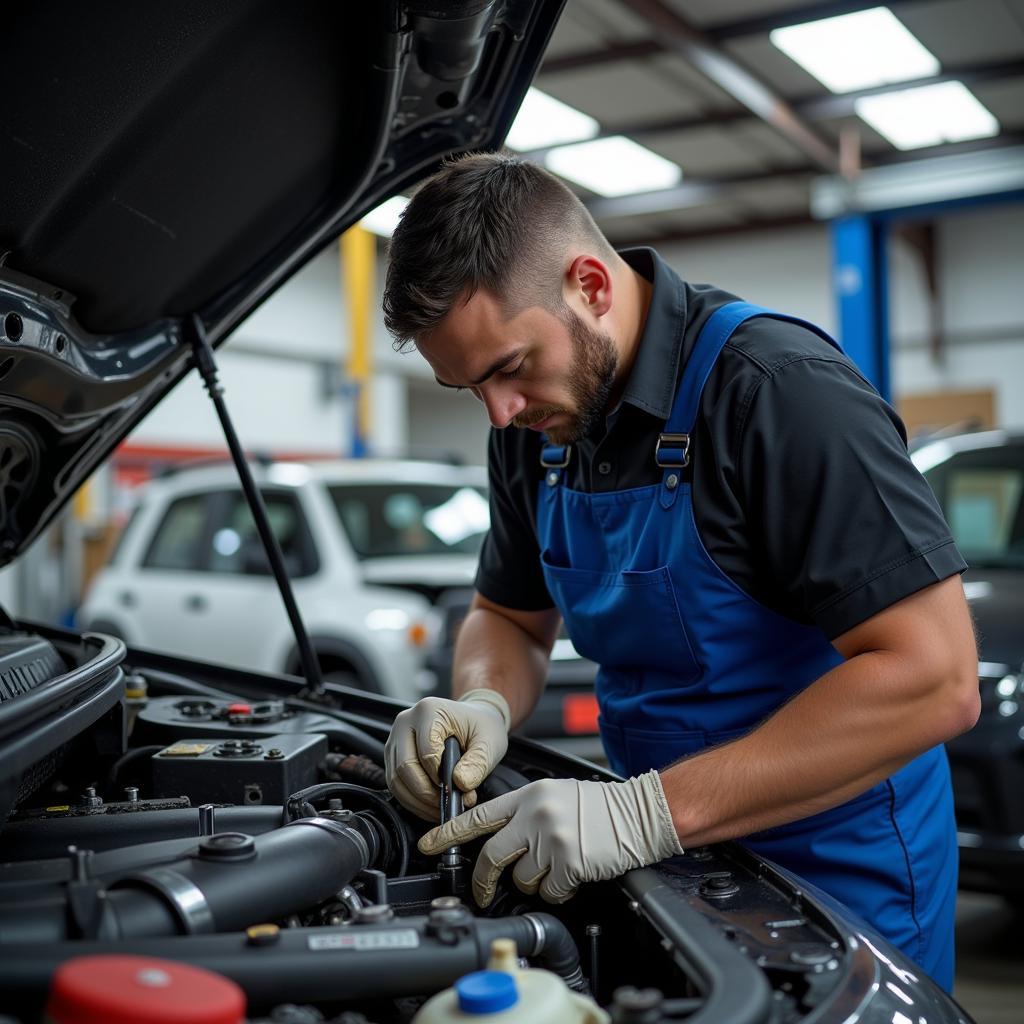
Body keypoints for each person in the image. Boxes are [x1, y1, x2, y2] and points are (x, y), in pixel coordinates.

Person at [380, 153, 979, 990]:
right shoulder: (533, 429)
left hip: (841, 882)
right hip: (671, 867)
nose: (500, 413)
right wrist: (480, 698)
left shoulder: (778, 392)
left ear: (590, 284)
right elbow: (509, 617)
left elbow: (934, 677)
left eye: (509, 367)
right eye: (467, 388)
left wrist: (643, 813)